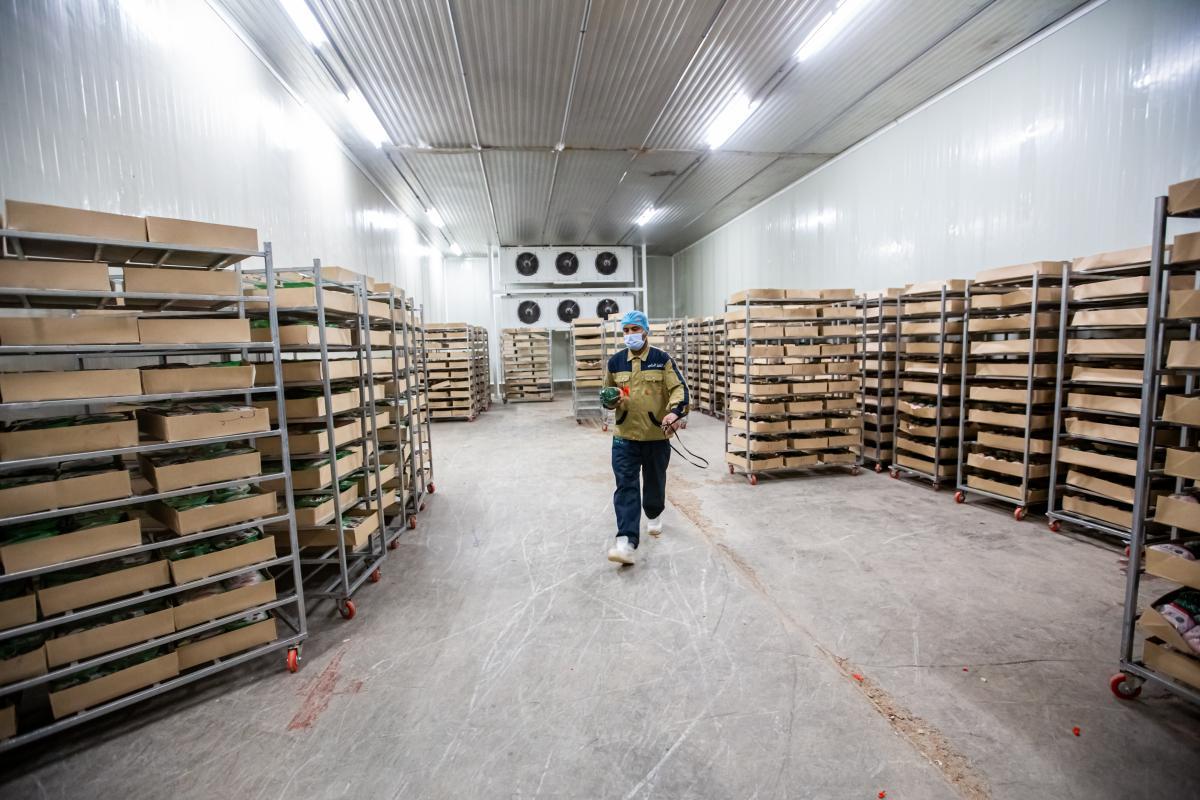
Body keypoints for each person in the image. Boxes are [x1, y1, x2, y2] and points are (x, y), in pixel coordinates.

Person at [602, 310, 689, 566]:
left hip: (655, 437)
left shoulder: (661, 360)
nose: (630, 335)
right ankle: (626, 541)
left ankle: (653, 513)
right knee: (625, 486)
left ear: (645, 331)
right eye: (626, 330)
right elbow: (606, 393)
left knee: (654, 482)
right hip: (625, 437)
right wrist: (610, 400)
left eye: (635, 330)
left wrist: (675, 413)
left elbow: (679, 389)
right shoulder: (616, 362)